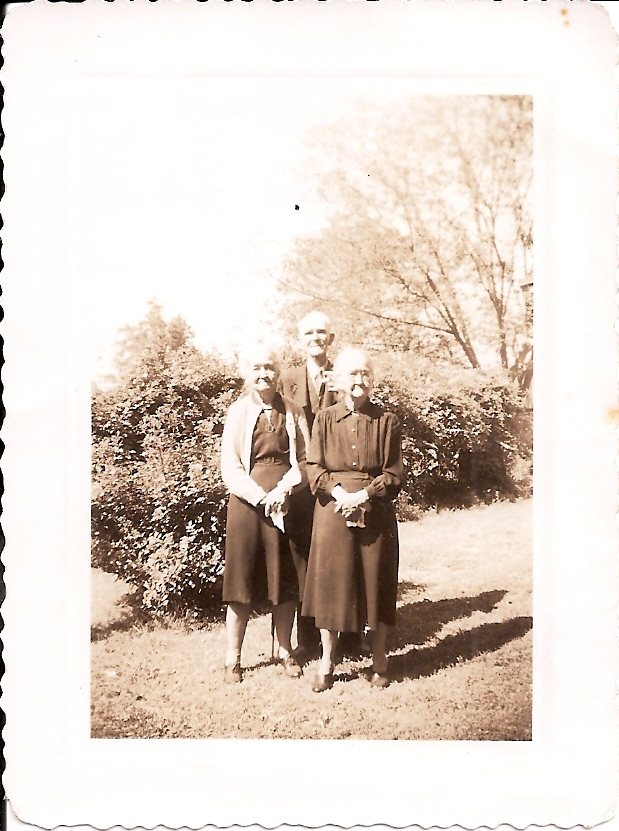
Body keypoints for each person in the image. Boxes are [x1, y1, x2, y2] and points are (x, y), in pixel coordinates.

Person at [302, 347, 404, 692]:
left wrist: (364, 495)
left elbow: (394, 474)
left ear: (372, 380)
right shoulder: (324, 419)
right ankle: (327, 662)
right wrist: (339, 493)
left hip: (375, 512)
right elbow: (314, 467)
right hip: (333, 511)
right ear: (339, 380)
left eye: (365, 373)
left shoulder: (388, 421)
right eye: (352, 373)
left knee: (376, 585)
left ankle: (380, 661)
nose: (359, 380)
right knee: (332, 587)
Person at [220, 344, 311, 684]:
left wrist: (284, 490)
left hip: (287, 503)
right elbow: (230, 466)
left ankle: (285, 651)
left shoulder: (294, 410)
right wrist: (261, 497)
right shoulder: (238, 412)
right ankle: (233, 658)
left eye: (270, 367)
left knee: (284, 580)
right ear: (247, 373)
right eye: (257, 367)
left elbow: (307, 458)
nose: (264, 374)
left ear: (278, 372)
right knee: (241, 581)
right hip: (248, 505)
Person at [279, 310, 338, 657]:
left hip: (336, 480)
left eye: (321, 332)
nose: (315, 338)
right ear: (300, 340)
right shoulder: (286, 379)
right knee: (302, 557)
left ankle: (348, 633)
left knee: (340, 555)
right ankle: (307, 639)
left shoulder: (344, 374)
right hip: (301, 483)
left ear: (330, 338)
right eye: (309, 333)